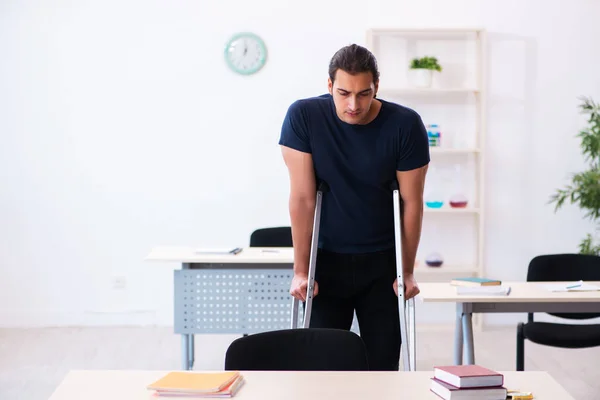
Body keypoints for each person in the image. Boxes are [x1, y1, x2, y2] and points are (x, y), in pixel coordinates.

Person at [278, 43, 429, 371]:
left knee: (382, 366)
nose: (353, 105)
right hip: (327, 262)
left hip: (382, 264)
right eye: (344, 92)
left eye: (364, 94)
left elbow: (411, 203)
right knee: (323, 368)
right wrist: (301, 271)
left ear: (377, 86)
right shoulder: (303, 117)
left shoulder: (405, 125)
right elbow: (303, 199)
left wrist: (408, 270)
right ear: (329, 85)